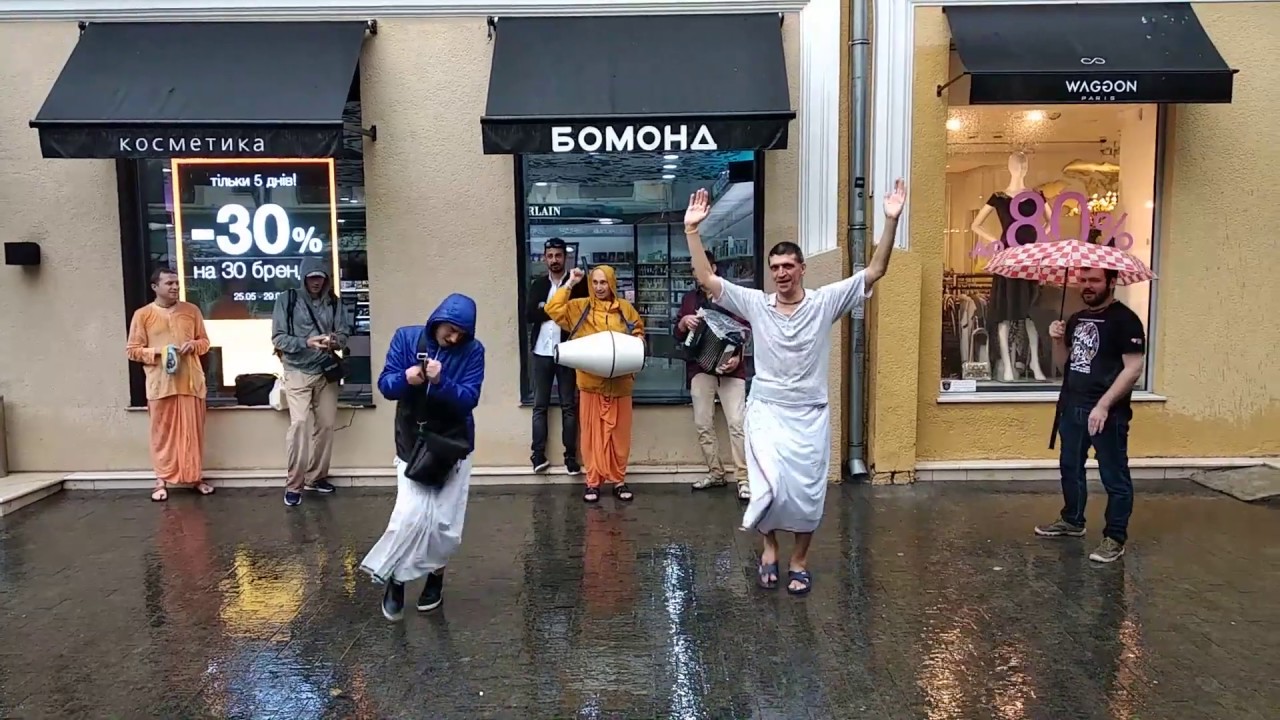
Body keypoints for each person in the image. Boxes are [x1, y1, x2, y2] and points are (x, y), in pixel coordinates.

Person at [682, 179, 907, 595]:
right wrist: (692, 231)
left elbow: (875, 271)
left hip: (809, 414)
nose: (781, 274)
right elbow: (708, 280)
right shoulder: (757, 304)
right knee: (768, 486)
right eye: (775, 268)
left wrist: (890, 220)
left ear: (802, 268)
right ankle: (769, 548)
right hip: (767, 409)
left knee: (806, 494)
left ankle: (799, 559)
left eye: (788, 266)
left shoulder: (824, 303)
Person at [361, 293, 485, 620]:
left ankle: (435, 577)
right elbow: (386, 385)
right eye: (450, 330)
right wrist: (406, 378)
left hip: (452, 444)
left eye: (461, 333)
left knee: (444, 524)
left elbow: (469, 398)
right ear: (438, 320)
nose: (454, 338)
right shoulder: (406, 338)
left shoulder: (474, 351)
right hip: (412, 441)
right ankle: (395, 577)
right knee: (410, 515)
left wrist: (442, 381)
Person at [1036, 267, 1145, 563]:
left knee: (1114, 475)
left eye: (1094, 280)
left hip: (1107, 413)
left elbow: (1134, 368)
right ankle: (1072, 520)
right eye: (1082, 280)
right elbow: (1065, 365)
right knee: (1070, 467)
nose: (1087, 285)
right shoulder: (1077, 318)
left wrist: (1104, 405)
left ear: (1112, 282)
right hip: (1073, 406)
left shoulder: (1126, 321)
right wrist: (1057, 340)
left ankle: (1115, 538)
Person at [544, 265, 646, 503]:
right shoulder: (580, 307)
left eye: (604, 282)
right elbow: (553, 309)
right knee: (592, 437)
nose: (600, 287)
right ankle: (593, 482)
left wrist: (639, 341)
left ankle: (618, 480)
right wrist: (570, 283)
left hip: (621, 385)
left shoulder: (625, 309)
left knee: (619, 437)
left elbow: (638, 332)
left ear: (612, 283)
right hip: (590, 384)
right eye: (595, 282)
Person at [126, 267, 215, 501]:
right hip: (161, 385)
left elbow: (205, 342)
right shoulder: (143, 315)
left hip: (191, 383)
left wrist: (193, 345)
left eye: (176, 283)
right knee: (162, 436)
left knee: (192, 434)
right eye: (169, 283)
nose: (175, 287)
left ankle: (195, 477)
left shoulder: (191, 310)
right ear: (155, 287)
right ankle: (161, 480)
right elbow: (132, 351)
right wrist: (159, 351)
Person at [271, 257, 352, 507]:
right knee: (299, 425)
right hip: (297, 371)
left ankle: (316, 477)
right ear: (304, 277)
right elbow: (278, 338)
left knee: (326, 426)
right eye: (312, 277)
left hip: (325, 371)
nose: (316, 282)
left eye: (321, 277)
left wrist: (334, 341)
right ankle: (293, 484)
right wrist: (306, 342)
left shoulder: (334, 302)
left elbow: (345, 334)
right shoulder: (287, 300)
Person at [674, 250, 751, 500]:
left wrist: (737, 356)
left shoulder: (730, 295)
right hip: (700, 368)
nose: (697, 273)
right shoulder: (689, 300)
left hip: (732, 370)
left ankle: (744, 478)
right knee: (703, 424)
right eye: (694, 269)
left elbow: (745, 331)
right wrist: (683, 323)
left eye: (701, 267)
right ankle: (716, 473)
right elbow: (677, 335)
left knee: (737, 424)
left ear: (713, 268)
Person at [526, 237, 587, 475]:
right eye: (550, 256)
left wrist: (546, 308)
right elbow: (530, 315)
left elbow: (578, 316)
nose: (554, 260)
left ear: (565, 258)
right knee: (539, 406)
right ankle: (538, 455)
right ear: (545, 258)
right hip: (541, 352)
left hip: (567, 352)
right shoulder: (538, 284)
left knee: (568, 406)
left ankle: (570, 457)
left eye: (558, 256)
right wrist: (554, 310)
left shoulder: (577, 285)